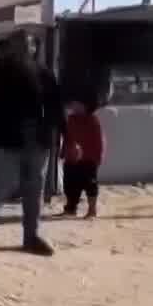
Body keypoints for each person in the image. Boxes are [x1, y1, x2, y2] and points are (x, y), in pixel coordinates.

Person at [0, 34, 62, 255]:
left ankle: (31, 237)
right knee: (9, 181)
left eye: (28, 45)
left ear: (33, 48)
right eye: (18, 45)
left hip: (38, 139)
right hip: (7, 139)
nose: (23, 49)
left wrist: (65, 136)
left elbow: (55, 106)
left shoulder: (43, 73)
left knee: (33, 188)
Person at [62, 89, 106, 219]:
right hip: (71, 159)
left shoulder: (93, 120)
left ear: (85, 105)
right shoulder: (70, 119)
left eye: (75, 103)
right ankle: (71, 208)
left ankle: (92, 210)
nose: (72, 105)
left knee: (90, 184)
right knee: (70, 184)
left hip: (89, 159)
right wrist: (64, 152)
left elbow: (99, 140)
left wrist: (98, 158)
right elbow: (68, 137)